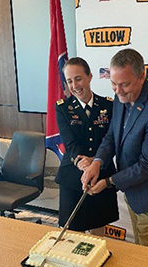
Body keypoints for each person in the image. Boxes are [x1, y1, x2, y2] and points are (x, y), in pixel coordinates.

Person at [82, 49, 148, 248]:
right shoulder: (120, 96)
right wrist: (97, 163)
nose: (118, 91)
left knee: (146, 254)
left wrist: (108, 182)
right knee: (138, 246)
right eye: (113, 84)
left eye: (124, 84)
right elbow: (111, 136)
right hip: (132, 187)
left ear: (141, 76)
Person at [55, 57, 119, 236]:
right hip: (73, 176)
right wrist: (83, 164)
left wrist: (96, 161)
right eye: (69, 81)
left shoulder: (108, 105)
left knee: (99, 227)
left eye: (78, 78)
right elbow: (70, 143)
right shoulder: (62, 108)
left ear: (89, 77)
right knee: (75, 232)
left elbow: (111, 138)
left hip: (101, 173)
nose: (74, 85)